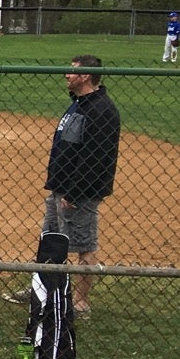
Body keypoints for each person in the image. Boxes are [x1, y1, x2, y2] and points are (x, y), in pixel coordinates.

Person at [37, 54, 120, 316]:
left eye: (72, 71)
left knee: (84, 246)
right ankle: (43, 291)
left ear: (85, 76)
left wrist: (74, 192)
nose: (67, 75)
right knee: (49, 240)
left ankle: (81, 302)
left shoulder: (101, 110)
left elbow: (95, 158)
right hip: (60, 188)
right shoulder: (79, 104)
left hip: (79, 193)